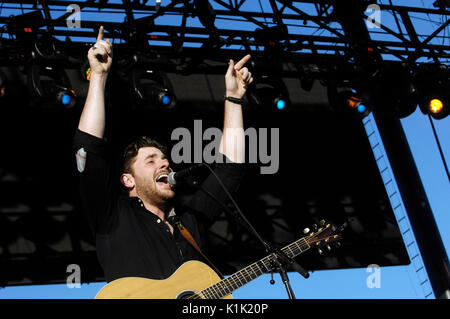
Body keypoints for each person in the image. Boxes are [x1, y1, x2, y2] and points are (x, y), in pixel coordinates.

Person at [73, 26, 254, 283]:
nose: (165, 164)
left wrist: (234, 99)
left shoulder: (190, 220)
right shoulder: (112, 216)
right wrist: (99, 77)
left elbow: (229, 169)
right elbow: (88, 147)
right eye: (151, 160)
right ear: (128, 180)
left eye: (165, 159)